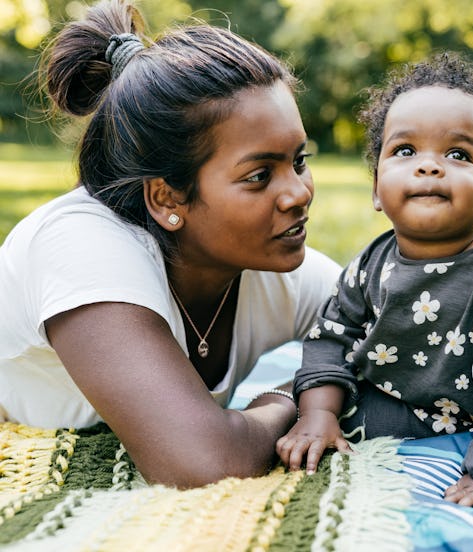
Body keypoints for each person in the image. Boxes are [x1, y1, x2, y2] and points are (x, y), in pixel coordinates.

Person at [0, 0, 341, 488]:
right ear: (166, 198)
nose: (298, 193)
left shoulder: (272, 265)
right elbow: (205, 461)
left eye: (299, 161)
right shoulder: (81, 247)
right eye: (260, 175)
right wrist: (297, 395)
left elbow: (392, 332)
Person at [277, 52, 473, 512]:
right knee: (296, 416)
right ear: (376, 188)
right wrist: (318, 414)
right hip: (392, 389)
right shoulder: (371, 263)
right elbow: (332, 336)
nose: (429, 166)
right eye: (406, 151)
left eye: (458, 154)